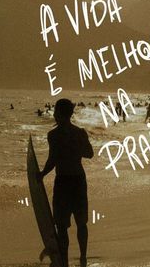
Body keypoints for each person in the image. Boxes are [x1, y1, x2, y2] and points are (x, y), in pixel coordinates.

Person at [38, 99, 94, 267]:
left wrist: (41, 174)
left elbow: (52, 160)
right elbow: (89, 153)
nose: (54, 114)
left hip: (63, 181)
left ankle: (64, 260)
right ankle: (83, 257)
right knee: (81, 222)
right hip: (78, 180)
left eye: (55, 112)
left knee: (62, 226)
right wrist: (76, 147)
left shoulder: (53, 135)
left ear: (59, 114)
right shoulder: (80, 132)